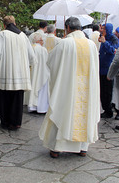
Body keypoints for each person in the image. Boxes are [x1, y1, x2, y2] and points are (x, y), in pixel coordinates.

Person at [39, 17, 100, 158]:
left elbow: (51, 62)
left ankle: (57, 148)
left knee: (64, 110)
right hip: (87, 89)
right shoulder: (91, 45)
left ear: (67, 28)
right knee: (85, 112)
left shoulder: (64, 43)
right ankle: (83, 148)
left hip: (68, 86)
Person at [0, 16, 36, 130]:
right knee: (17, 97)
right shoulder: (23, 36)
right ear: (15, 23)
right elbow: (31, 56)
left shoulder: (3, 35)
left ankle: (6, 121)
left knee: (5, 96)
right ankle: (16, 122)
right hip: (20, 73)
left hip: (6, 72)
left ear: (4, 25)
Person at [24, 33, 49, 113]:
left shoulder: (30, 48)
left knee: (31, 86)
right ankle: (40, 108)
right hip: (41, 73)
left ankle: (30, 105)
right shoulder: (43, 50)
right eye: (42, 40)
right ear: (39, 41)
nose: (43, 42)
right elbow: (47, 62)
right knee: (40, 89)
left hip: (30, 72)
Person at [98, 23, 119, 119]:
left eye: (103, 28)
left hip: (108, 70)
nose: (101, 30)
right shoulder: (102, 37)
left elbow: (113, 51)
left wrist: (105, 42)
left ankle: (109, 110)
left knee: (108, 91)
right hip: (101, 68)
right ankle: (105, 109)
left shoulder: (114, 39)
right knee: (102, 91)